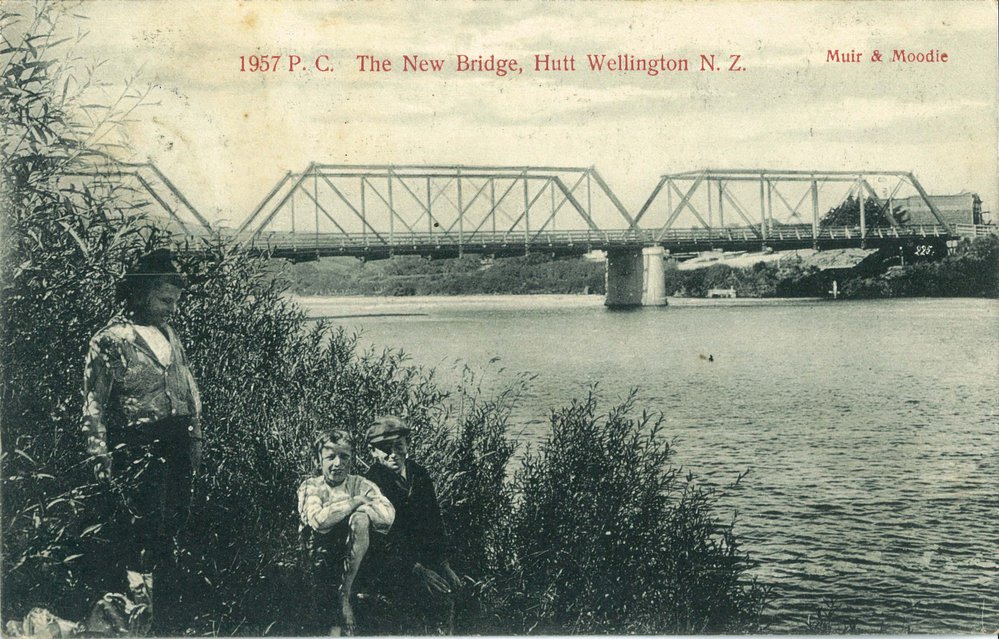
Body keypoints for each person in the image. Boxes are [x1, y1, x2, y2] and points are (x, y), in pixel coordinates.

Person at [82, 248, 202, 633]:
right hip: (138, 448)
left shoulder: (170, 334)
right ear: (140, 293)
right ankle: (136, 617)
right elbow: (94, 401)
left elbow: (188, 388)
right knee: (140, 534)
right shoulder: (110, 339)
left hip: (178, 443)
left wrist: (196, 437)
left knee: (174, 527)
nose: (172, 309)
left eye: (176, 302)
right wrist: (99, 454)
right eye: (166, 300)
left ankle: (165, 618)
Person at [362, 416, 462, 635]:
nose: (393, 454)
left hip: (423, 561)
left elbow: (434, 522)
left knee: (455, 591)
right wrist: (417, 570)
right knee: (418, 609)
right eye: (384, 449)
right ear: (372, 452)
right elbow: (380, 541)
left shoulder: (419, 474)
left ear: (408, 444)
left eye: (398, 446)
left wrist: (443, 564)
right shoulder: (370, 485)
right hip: (391, 566)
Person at [298, 430, 395, 636]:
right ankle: (339, 605)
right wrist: (356, 502)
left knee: (361, 519)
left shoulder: (361, 484)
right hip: (319, 565)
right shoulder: (311, 486)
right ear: (318, 460)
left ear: (352, 458)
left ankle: (345, 594)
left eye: (344, 456)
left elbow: (387, 516)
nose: (337, 463)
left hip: (357, 565)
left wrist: (360, 512)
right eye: (330, 457)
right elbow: (319, 520)